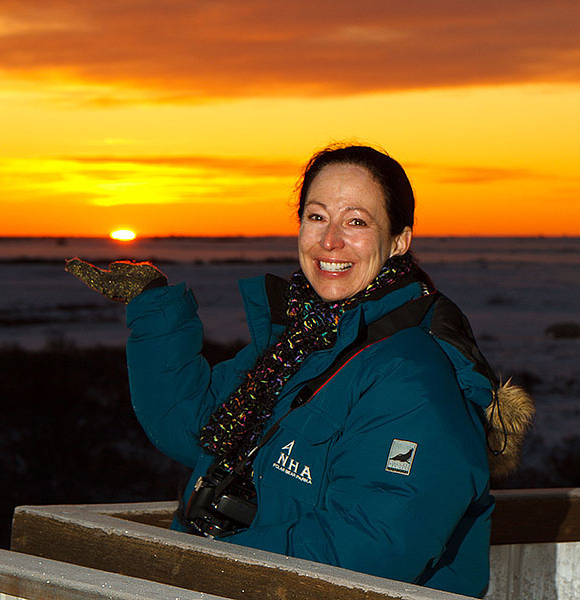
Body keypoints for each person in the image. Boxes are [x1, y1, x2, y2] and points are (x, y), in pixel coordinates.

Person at [66, 144, 533, 598]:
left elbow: (371, 548)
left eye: (356, 221)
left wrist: (205, 563)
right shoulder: (303, 343)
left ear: (399, 241)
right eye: (317, 216)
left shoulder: (414, 377)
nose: (330, 240)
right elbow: (193, 425)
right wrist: (154, 308)